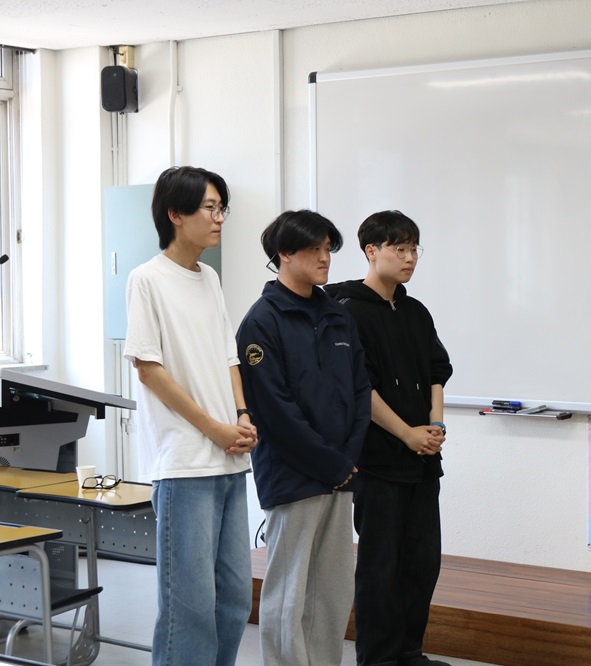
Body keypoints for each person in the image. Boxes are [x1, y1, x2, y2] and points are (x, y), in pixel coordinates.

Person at [123, 166, 256, 666]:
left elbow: (228, 356)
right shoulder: (146, 279)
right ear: (175, 214)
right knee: (190, 607)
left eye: (222, 208)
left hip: (229, 457)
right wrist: (214, 428)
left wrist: (240, 414)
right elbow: (149, 370)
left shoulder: (211, 278)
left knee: (234, 600)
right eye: (210, 208)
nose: (219, 218)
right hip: (184, 463)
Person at [237, 209, 371, 665]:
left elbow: (360, 391)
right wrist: (332, 464)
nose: (324, 257)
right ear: (285, 254)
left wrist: (346, 460)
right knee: (288, 592)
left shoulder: (338, 315)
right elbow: (274, 411)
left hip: (340, 473)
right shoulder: (262, 321)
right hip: (293, 475)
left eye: (328, 248)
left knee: (331, 591)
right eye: (313, 248)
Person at [325, 210, 453, 666]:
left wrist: (435, 427)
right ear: (371, 250)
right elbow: (359, 387)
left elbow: (437, 372)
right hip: (378, 460)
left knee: (422, 562)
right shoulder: (347, 311)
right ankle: (378, 658)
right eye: (399, 248)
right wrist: (406, 433)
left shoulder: (416, 311)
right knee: (380, 566)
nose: (410, 258)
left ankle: (408, 652)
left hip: (422, 458)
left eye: (414, 248)